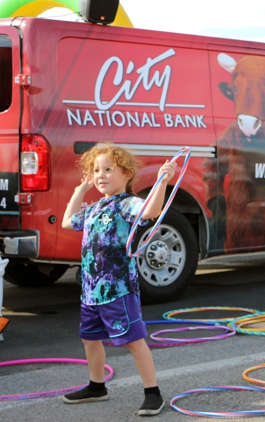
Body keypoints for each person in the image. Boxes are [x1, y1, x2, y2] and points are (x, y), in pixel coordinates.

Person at [62, 144, 176, 416]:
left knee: (133, 341)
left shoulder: (127, 203)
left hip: (118, 289)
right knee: (89, 339)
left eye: (108, 169)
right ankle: (96, 386)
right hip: (91, 292)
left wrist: (163, 181)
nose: (100, 175)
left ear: (126, 174)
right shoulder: (94, 207)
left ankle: (153, 393)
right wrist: (80, 190)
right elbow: (68, 222)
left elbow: (150, 211)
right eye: (96, 170)